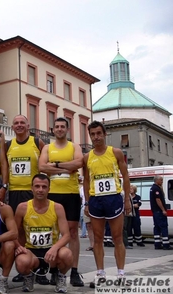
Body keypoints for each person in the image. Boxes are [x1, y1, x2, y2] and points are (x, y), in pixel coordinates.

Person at [83, 120, 131, 288]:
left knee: (118, 238)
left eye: (98, 133)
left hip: (114, 198)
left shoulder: (115, 152)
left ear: (104, 134)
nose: (96, 137)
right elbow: (87, 181)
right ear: (90, 136)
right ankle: (101, 274)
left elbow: (125, 176)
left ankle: (121, 274)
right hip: (96, 200)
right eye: (92, 134)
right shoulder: (87, 157)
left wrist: (127, 200)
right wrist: (87, 203)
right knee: (98, 239)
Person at [38, 117, 84, 286]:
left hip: (70, 194)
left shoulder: (74, 146)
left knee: (72, 233)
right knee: (53, 232)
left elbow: (79, 163)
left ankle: (74, 271)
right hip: (53, 195)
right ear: (53, 129)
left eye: (62, 127)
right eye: (56, 127)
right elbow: (42, 167)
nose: (59, 129)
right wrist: (67, 166)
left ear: (67, 129)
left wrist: (55, 164)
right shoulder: (48, 147)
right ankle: (52, 270)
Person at [14, 173, 73, 293]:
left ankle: (60, 276)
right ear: (32, 188)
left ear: (49, 189)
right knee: (21, 262)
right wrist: (19, 247)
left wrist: (55, 248)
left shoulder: (57, 207)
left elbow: (66, 235)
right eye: (37, 186)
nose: (40, 190)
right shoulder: (22, 207)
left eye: (44, 187)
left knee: (67, 254)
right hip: (31, 251)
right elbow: (12, 232)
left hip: (52, 252)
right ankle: (28, 277)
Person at [6, 114, 45, 283]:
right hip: (14, 192)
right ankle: (23, 268)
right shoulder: (8, 145)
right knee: (19, 230)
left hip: (34, 192)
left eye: (22, 123)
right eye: (16, 123)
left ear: (28, 125)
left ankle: (41, 268)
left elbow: (44, 165)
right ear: (13, 127)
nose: (19, 125)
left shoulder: (37, 143)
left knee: (39, 228)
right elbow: (5, 169)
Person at [150, 175, 172, 250]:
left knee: (156, 227)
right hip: (159, 211)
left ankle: (157, 244)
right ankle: (166, 245)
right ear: (157, 180)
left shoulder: (153, 188)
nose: (162, 182)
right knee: (163, 227)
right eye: (161, 180)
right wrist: (163, 210)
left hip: (155, 211)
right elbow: (158, 200)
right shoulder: (156, 189)